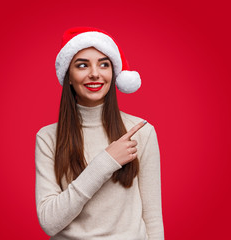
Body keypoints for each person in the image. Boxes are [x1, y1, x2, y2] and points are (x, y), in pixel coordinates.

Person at [35, 27, 164, 240]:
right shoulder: (48, 138)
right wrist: (106, 161)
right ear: (68, 76)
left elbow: (152, 218)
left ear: (113, 74)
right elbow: (49, 222)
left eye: (104, 64)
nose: (94, 73)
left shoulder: (141, 132)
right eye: (82, 65)